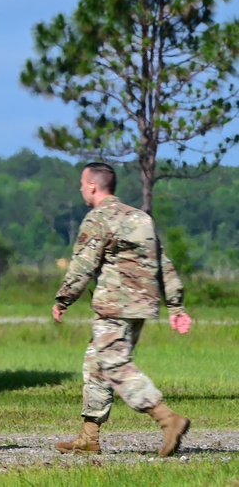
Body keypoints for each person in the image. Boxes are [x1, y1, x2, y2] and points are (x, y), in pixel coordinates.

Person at [52, 162, 192, 457]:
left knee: (115, 365)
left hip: (115, 304)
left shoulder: (99, 218)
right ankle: (89, 437)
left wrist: (64, 298)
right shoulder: (140, 218)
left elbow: (82, 265)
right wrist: (175, 304)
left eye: (82, 184)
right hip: (142, 305)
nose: (80, 189)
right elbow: (162, 261)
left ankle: (168, 419)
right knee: (96, 364)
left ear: (92, 186)